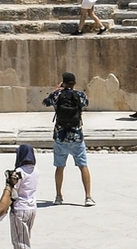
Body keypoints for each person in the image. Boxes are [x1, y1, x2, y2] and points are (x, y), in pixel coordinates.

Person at [44, 72, 95, 205]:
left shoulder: (57, 95)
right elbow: (86, 103)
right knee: (83, 166)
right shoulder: (80, 95)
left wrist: (57, 90)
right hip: (76, 136)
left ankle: (58, 196)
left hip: (60, 137)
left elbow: (45, 102)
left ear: (63, 82)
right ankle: (88, 197)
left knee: (60, 167)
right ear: (74, 83)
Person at [8, 145, 37, 249]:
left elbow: (14, 192)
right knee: (26, 237)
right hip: (32, 208)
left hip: (20, 208)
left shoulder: (19, 171)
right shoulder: (36, 170)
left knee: (19, 242)